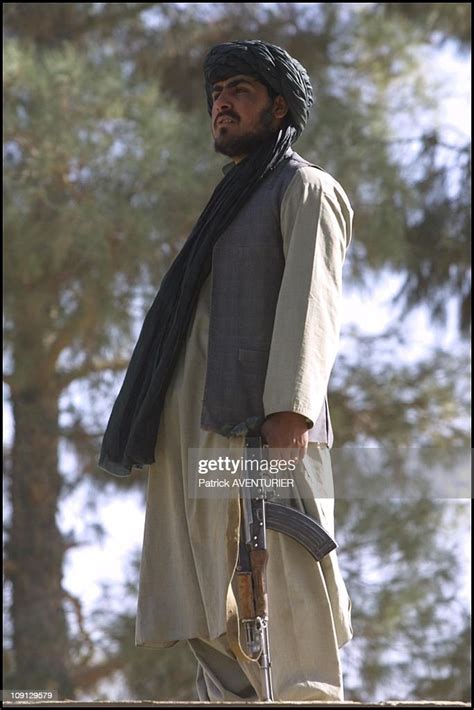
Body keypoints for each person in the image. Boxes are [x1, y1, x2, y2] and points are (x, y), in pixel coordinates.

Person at [99, 39, 353, 702]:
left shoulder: (306, 189)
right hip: (191, 435)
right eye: (216, 93)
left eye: (239, 90)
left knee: (284, 570)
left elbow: (310, 307)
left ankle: (306, 698)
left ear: (279, 108)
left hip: (263, 426)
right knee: (201, 593)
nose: (220, 103)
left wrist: (290, 412)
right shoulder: (225, 207)